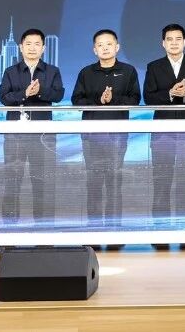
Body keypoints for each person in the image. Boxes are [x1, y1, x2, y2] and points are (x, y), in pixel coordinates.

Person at [71, 28, 140, 248]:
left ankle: (114, 232)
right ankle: (93, 233)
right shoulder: (86, 73)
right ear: (94, 49)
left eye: (109, 44)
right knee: (93, 184)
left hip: (117, 135)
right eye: (100, 45)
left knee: (114, 183)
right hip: (91, 136)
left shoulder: (128, 71)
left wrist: (113, 100)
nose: (105, 48)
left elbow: (135, 99)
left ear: (117, 47)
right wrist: (98, 101)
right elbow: (76, 100)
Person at [143, 23, 185, 250]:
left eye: (178, 39)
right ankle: (160, 234)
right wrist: (170, 93)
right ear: (163, 43)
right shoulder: (154, 67)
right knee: (162, 182)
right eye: (169, 39)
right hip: (163, 134)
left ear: (184, 42)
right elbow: (148, 98)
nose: (174, 43)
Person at [0, 27, 64, 225]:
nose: (32, 48)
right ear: (21, 47)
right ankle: (9, 227)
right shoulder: (10, 72)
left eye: (37, 44)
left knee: (43, 181)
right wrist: (25, 94)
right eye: (28, 44)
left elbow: (58, 95)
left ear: (43, 48)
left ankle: (44, 227)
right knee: (12, 180)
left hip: (43, 135)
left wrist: (40, 92)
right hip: (15, 135)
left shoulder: (52, 71)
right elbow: (4, 98)